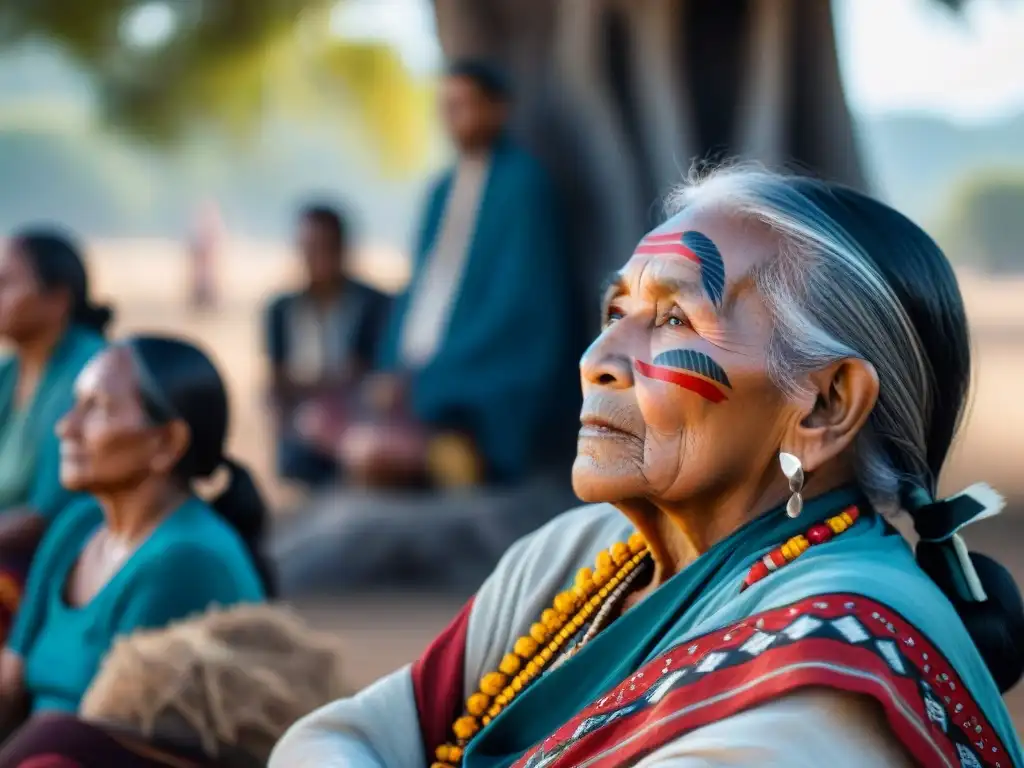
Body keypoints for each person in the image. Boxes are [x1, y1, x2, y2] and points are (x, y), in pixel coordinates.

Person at [269, 166, 1024, 768]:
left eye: (672, 319)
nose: (598, 360)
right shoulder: (576, 556)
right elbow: (341, 736)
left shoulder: (834, 670)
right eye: (613, 314)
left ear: (825, 405)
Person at [0, 335, 271, 763]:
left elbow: (112, 737)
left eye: (98, 409)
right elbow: (10, 679)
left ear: (167, 443)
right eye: (76, 404)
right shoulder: (78, 525)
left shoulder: (186, 559)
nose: (66, 427)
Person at [338, 59, 569, 489]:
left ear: (498, 110)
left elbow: (519, 300)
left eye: (466, 104)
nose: (454, 117)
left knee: (391, 441)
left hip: (481, 363)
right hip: (421, 366)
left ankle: (449, 451)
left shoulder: (523, 184)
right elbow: (420, 290)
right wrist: (394, 363)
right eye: (447, 106)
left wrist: (429, 372)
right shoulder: (441, 189)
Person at [0, 229, 111, 642]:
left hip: (54, 562)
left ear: (57, 299)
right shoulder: (11, 373)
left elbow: (43, 519)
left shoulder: (87, 373)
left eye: (7, 283)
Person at [265, 204, 391, 488]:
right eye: (309, 249)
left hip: (358, 427)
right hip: (302, 432)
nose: (317, 259)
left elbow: (369, 376)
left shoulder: (373, 305)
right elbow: (278, 381)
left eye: (325, 248)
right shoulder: (282, 310)